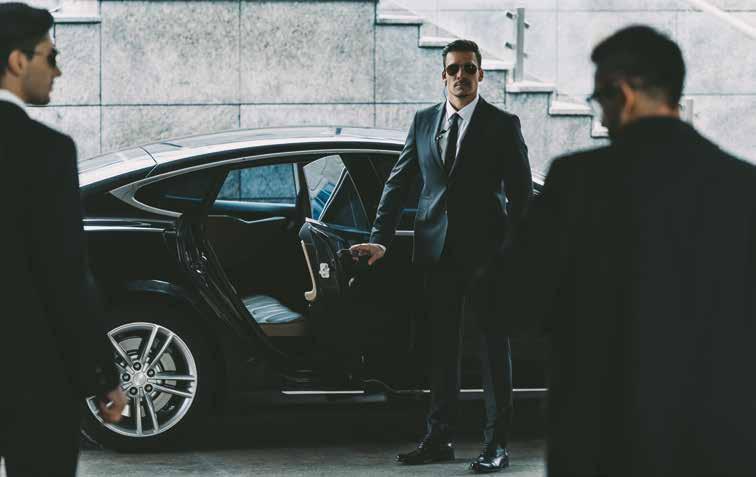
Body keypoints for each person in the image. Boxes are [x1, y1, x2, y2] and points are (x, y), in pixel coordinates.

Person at [511, 25, 756, 476]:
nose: (602, 119)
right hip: (721, 445)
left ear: (622, 94)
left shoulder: (576, 181)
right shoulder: (743, 186)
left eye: (599, 100)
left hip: (603, 443)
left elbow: (512, 301)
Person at [351, 39, 532, 473]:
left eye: (469, 68)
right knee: (441, 352)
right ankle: (439, 439)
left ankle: (497, 446)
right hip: (436, 253)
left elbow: (522, 196)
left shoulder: (502, 125)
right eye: (454, 69)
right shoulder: (423, 122)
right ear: (443, 75)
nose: (461, 76)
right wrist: (380, 239)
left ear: (481, 74)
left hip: (488, 256)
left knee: (492, 352)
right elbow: (398, 183)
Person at [0, 3, 126, 476]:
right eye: (50, 57)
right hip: (34, 374)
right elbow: (66, 275)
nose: (57, 70)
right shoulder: (46, 152)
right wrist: (102, 375)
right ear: (18, 61)